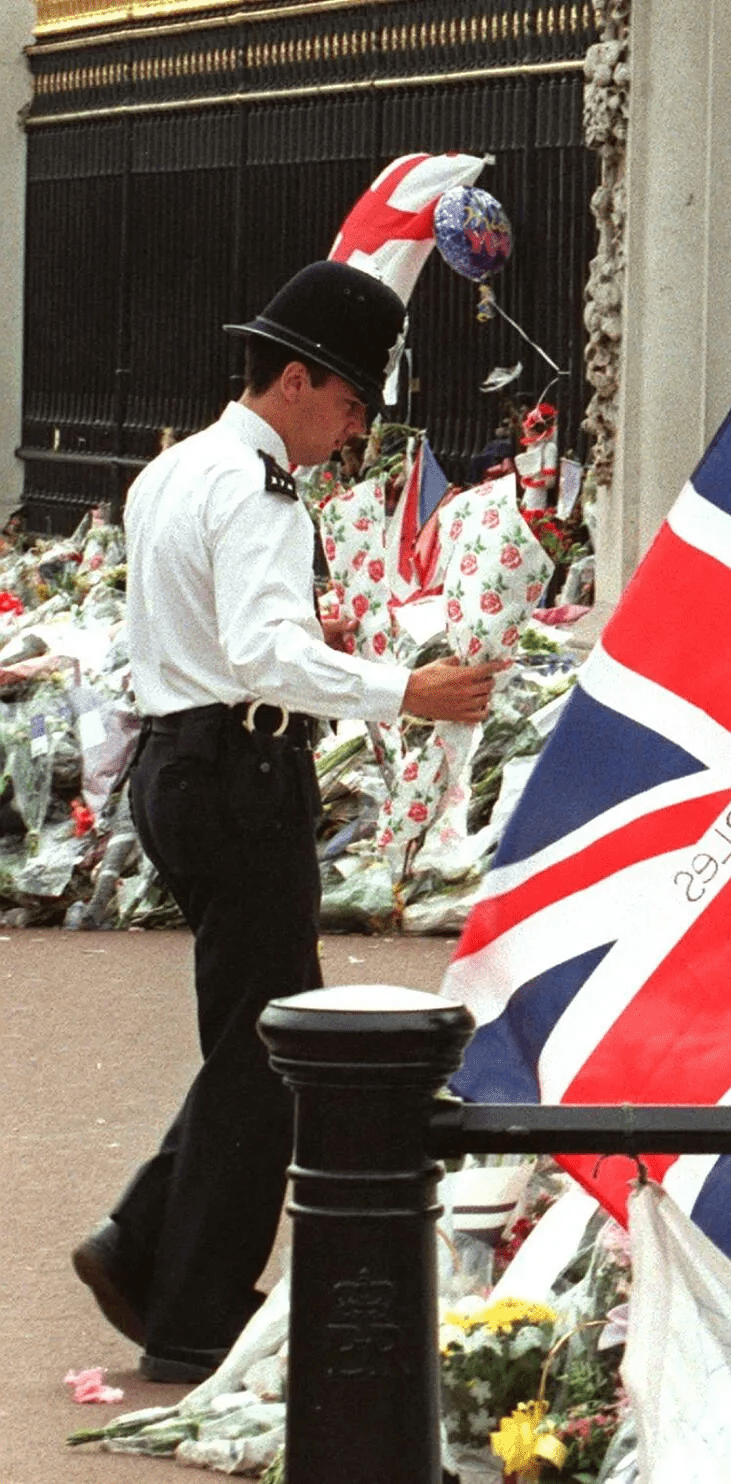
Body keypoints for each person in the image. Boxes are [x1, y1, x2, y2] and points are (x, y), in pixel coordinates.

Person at [71, 261, 506, 1383]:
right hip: (241, 764)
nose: (354, 428)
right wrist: (402, 689)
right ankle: (192, 1307)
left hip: (181, 763)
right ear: (300, 379)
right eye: (351, 402)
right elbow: (265, 650)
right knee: (272, 1052)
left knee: (253, 1038)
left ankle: (145, 1249)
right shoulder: (259, 490)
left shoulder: (173, 472)